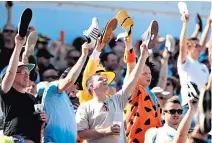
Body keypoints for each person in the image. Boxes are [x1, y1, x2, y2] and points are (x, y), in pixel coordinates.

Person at [76, 42, 149, 143]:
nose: (105, 80)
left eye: (106, 79)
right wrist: (106, 131)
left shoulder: (117, 100)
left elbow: (133, 79)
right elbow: (80, 134)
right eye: (101, 79)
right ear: (91, 86)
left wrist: (142, 58)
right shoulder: (84, 107)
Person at [42, 42, 91, 143]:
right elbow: (70, 80)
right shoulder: (52, 89)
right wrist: (84, 55)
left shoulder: (67, 100)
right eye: (77, 84)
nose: (76, 89)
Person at [124, 21, 162, 143]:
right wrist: (129, 46)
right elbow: (131, 68)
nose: (149, 76)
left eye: (150, 73)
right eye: (144, 73)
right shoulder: (134, 90)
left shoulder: (151, 94)